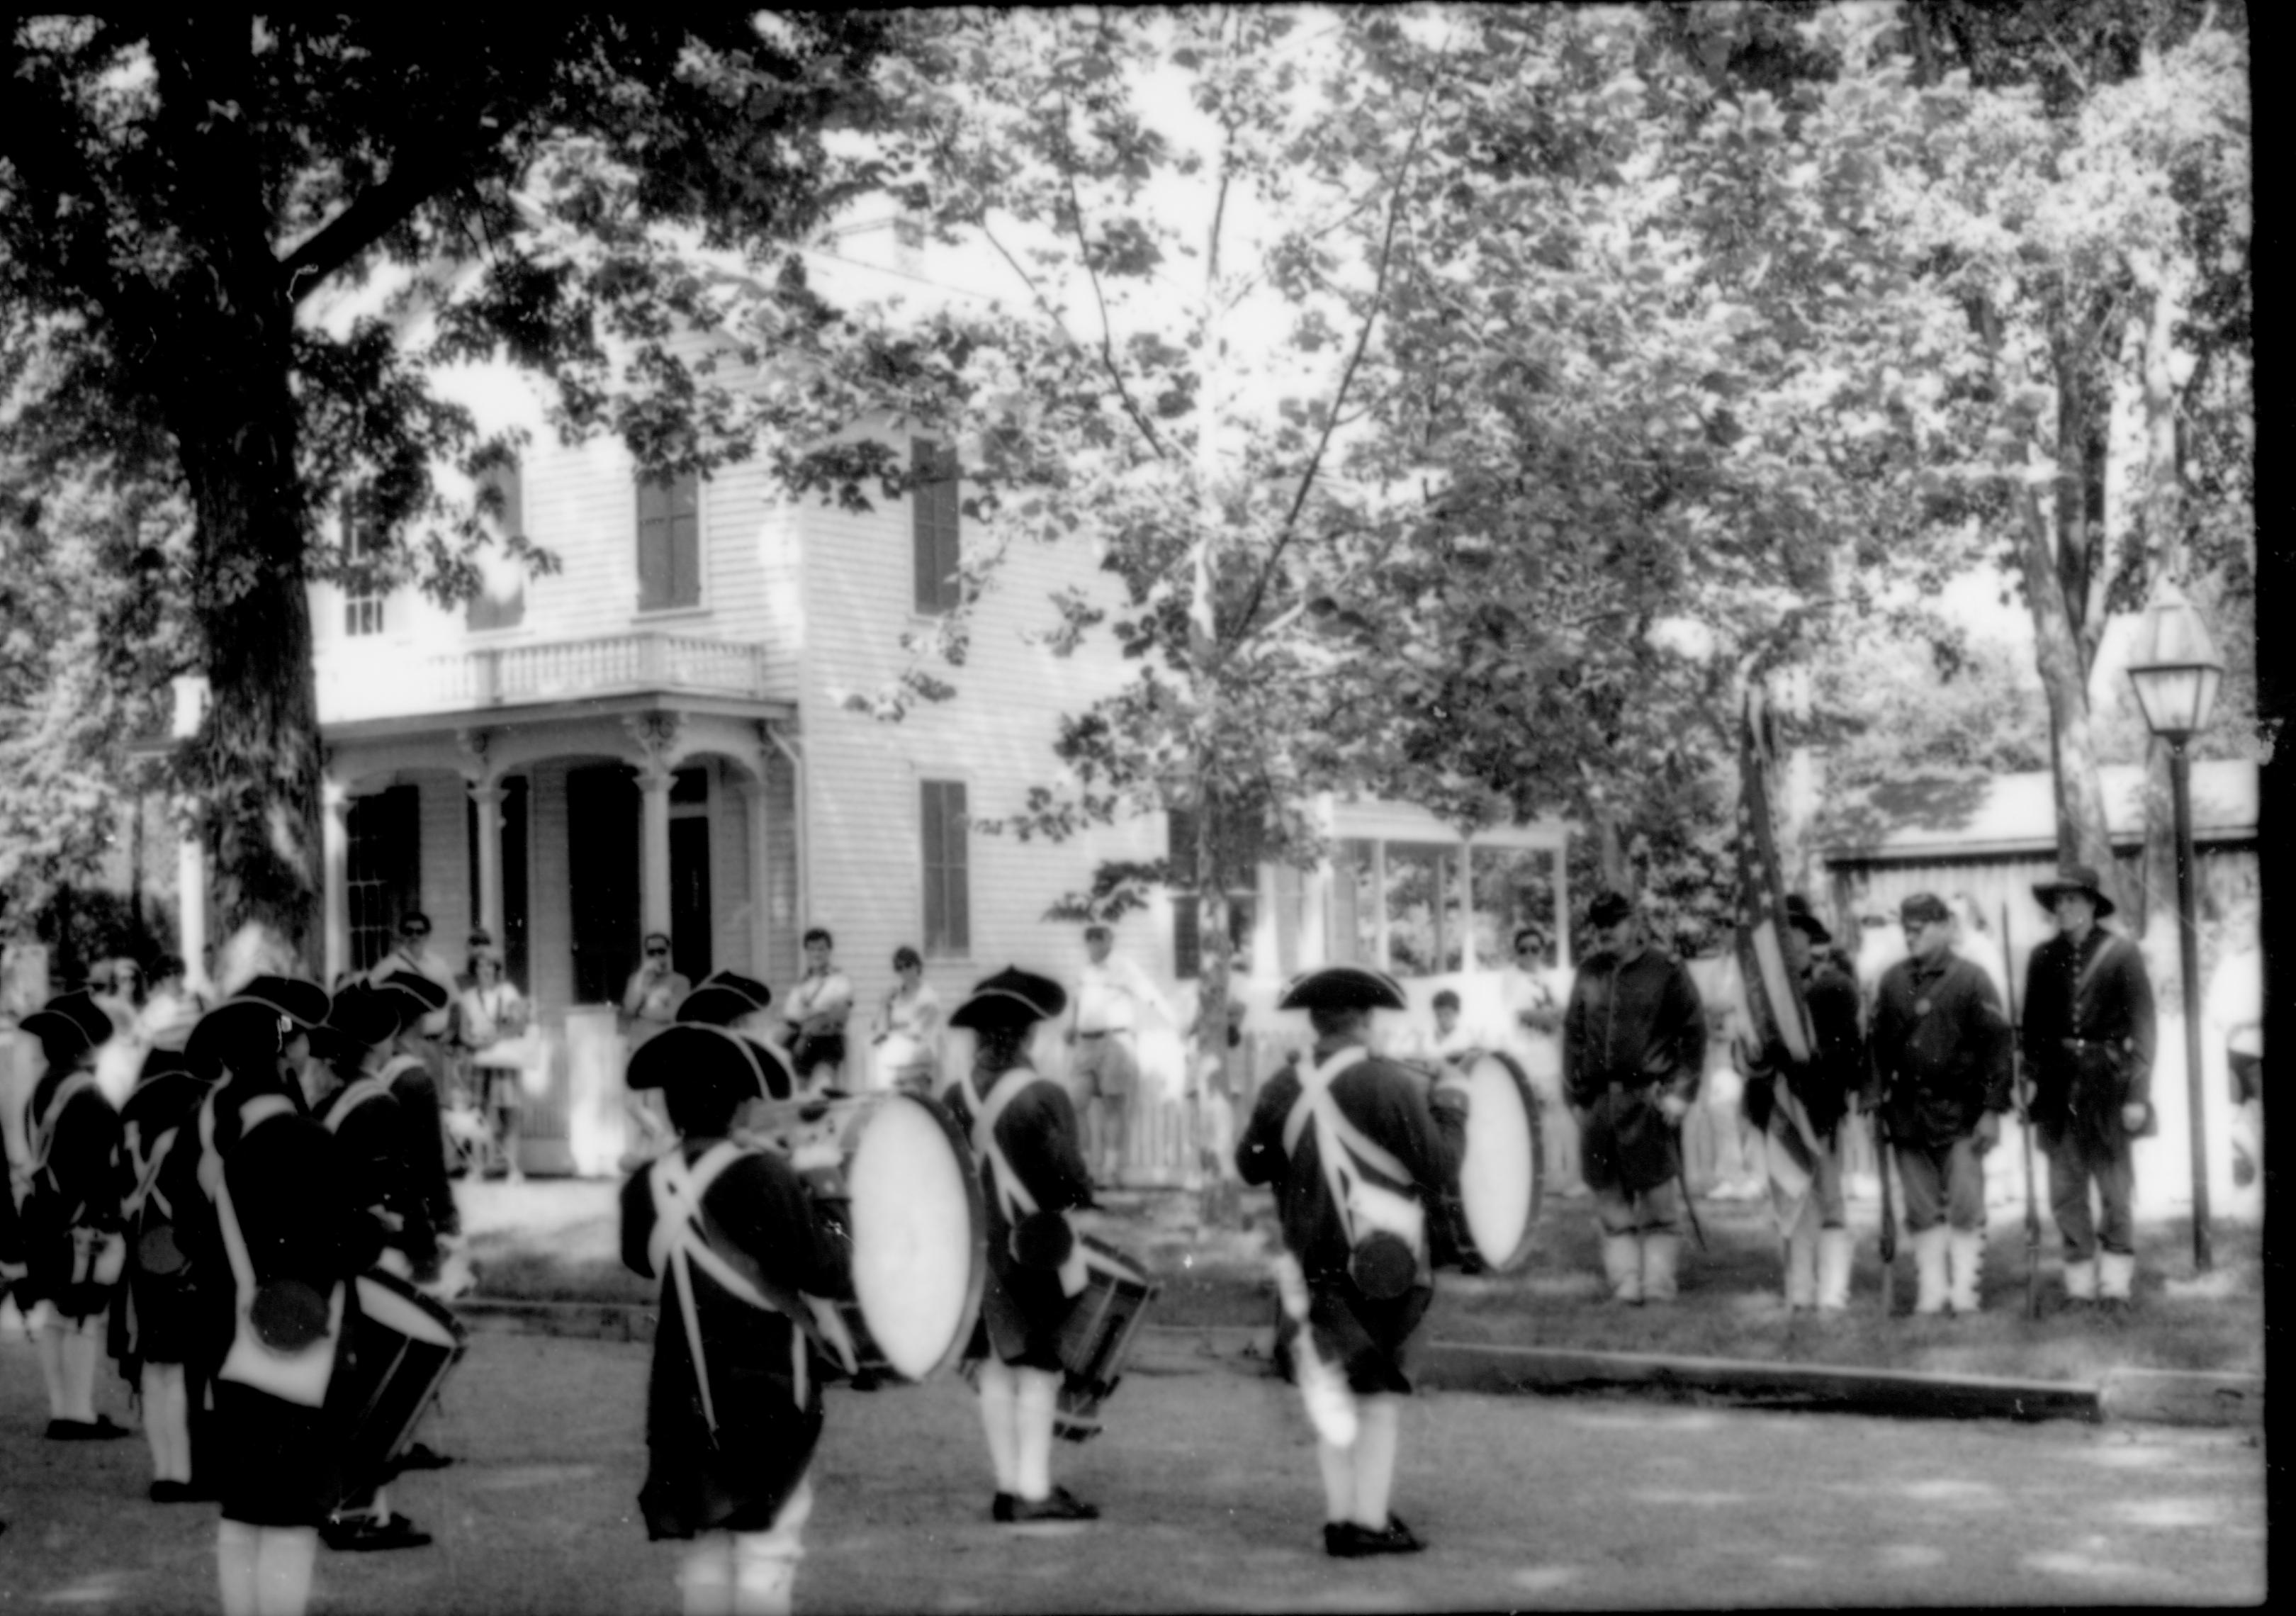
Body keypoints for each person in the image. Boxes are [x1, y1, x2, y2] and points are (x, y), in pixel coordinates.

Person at [1236, 965, 1468, 1559]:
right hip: (1379, 1262)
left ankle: (1342, 1517)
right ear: (1365, 1021)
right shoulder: (1388, 1083)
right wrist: (1451, 1103)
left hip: (1310, 1261)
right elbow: (1440, 1168)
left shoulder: (1283, 1086)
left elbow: (1251, 1166)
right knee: (1379, 1395)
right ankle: (1367, 1521)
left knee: (1333, 1391)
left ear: (1316, 1024)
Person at [620, 1022, 852, 1616]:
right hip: (767, 1381)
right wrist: (826, 1184)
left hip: (683, 1387)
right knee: (769, 1544)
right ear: (739, 1102)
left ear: (671, 1106)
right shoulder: (764, 1174)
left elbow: (639, 1260)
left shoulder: (646, 1185)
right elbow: (829, 1272)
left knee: (702, 1538)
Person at [940, 966, 1099, 1525]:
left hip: (974, 1253)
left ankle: (1009, 1486)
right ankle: (1032, 1490)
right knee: (1038, 1369)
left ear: (980, 1037)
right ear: (1029, 1035)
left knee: (990, 1368)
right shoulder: (1045, 1094)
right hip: (1032, 1250)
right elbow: (1072, 1183)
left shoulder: (951, 1095)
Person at [303, 983, 444, 1552]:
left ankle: (360, 1505)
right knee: (379, 1388)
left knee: (352, 1386)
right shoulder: (380, 1106)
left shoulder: (326, 1105)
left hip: (337, 1254)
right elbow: (402, 1194)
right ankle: (360, 1510)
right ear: (380, 1042)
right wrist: (425, 1247)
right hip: (376, 1254)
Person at [1868, 892, 2015, 1317]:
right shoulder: (1892, 980)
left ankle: (1965, 1293)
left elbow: (1998, 1049)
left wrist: (1991, 1110)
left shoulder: (1972, 979)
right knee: (1920, 1207)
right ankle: (1931, 1293)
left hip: (1962, 1112)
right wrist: (1873, 1095)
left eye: (1920, 927)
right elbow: (1876, 1047)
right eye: (1906, 927)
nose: (1910, 934)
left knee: (1967, 1205)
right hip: (1908, 1112)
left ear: (1945, 927)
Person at [2018, 863, 2157, 1311]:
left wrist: (2137, 1095)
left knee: (2115, 1189)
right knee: (2065, 1189)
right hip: (2059, 1089)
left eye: (2072, 900)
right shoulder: (2041, 958)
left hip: (2108, 1086)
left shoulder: (2121, 953)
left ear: (2093, 905)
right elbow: (2033, 1032)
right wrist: (2029, 1081)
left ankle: (2115, 1285)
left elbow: (2145, 1029)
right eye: (2058, 901)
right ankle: (2079, 1286)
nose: (2064, 908)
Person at [1561, 890, 1706, 1306]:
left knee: (1658, 1203)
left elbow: (1693, 1035)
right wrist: (1574, 1097)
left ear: (1635, 923)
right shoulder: (1589, 972)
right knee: (1610, 1203)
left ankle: (1659, 1284)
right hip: (1599, 1106)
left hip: (1649, 1102)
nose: (1605, 931)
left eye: (1614, 922)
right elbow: (1572, 1034)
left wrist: (1680, 1095)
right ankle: (1625, 1283)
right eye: (1599, 924)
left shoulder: (1666, 971)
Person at [1738, 897, 1866, 1313]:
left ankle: (1832, 1291)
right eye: (1779, 933)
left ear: (1810, 938)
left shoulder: (1835, 988)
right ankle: (1799, 1287)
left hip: (1821, 1107)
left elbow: (1850, 1056)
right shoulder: (1761, 995)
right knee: (1790, 1198)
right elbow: (1745, 1054)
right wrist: (1757, 1057)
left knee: (1828, 1197)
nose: (1787, 941)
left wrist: (1811, 1057)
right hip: (1778, 1108)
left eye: (1794, 932)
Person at [17, 990, 133, 1440]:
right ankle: (78, 1414)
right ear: (87, 1047)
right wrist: (108, 1218)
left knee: (58, 1314)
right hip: (83, 1219)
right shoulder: (89, 1097)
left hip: (46, 1213)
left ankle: (64, 1407)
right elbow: (103, 1169)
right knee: (84, 1315)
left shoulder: (42, 1089)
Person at [110, 1045, 220, 1499]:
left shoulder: (129, 1136)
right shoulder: (187, 1139)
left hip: (139, 1262)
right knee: (179, 1372)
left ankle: (164, 1471)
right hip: (181, 1260)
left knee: (153, 1369)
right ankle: (184, 1474)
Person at [1066, 921, 1174, 1186]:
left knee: (1113, 1106)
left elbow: (1151, 996)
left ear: (1109, 941)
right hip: (1085, 1044)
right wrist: (1072, 1025)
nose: (1093, 944)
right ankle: (1087, 1170)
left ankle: (1110, 1171)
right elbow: (1078, 1002)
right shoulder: (1084, 971)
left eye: (1098, 939)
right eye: (1089, 939)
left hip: (1115, 1041)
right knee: (1076, 1102)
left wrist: (1174, 1022)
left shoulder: (1124, 968)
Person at [372, 970, 461, 1250]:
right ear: (420, 1020)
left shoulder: (373, 1068)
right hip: (408, 1210)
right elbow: (431, 1157)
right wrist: (446, 1218)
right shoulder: (415, 1079)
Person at [1502, 924, 1581, 1198]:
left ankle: (1564, 1179)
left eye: (1535, 949)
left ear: (1542, 951)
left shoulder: (1545, 978)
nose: (1530, 954)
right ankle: (1546, 1181)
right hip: (1530, 1061)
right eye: (1523, 950)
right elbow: (1532, 1017)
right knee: (1540, 1122)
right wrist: (1553, 1017)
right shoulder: (1512, 980)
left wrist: (1555, 1017)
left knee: (1559, 1122)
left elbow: (1563, 1013)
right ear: (1516, 953)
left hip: (1551, 1060)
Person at [454, 946, 531, 1181]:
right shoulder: (467, 998)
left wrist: (495, 1038)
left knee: (509, 1114)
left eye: (490, 965)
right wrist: (477, 1043)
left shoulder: (508, 992)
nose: (485, 970)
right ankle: (477, 1168)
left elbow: (519, 1026)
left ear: (497, 969)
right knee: (478, 1115)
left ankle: (513, 1169)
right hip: (478, 1061)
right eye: (480, 965)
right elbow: (464, 1033)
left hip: (504, 1061)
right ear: (474, 969)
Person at [782, 928, 855, 1094]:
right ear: (806, 952)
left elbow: (839, 1015)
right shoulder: (800, 985)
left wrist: (809, 1025)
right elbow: (792, 1018)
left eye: (821, 949)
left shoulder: (840, 980)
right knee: (797, 1092)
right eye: (812, 949)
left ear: (829, 951)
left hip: (828, 1041)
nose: (817, 954)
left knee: (822, 1087)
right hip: (801, 1043)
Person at [868, 946, 943, 1093]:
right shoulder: (896, 996)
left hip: (919, 1058)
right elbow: (878, 1028)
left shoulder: (928, 997)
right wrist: (884, 1005)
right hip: (895, 1056)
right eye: (899, 968)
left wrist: (892, 1031)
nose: (905, 971)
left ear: (918, 966)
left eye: (908, 965)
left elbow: (918, 1032)